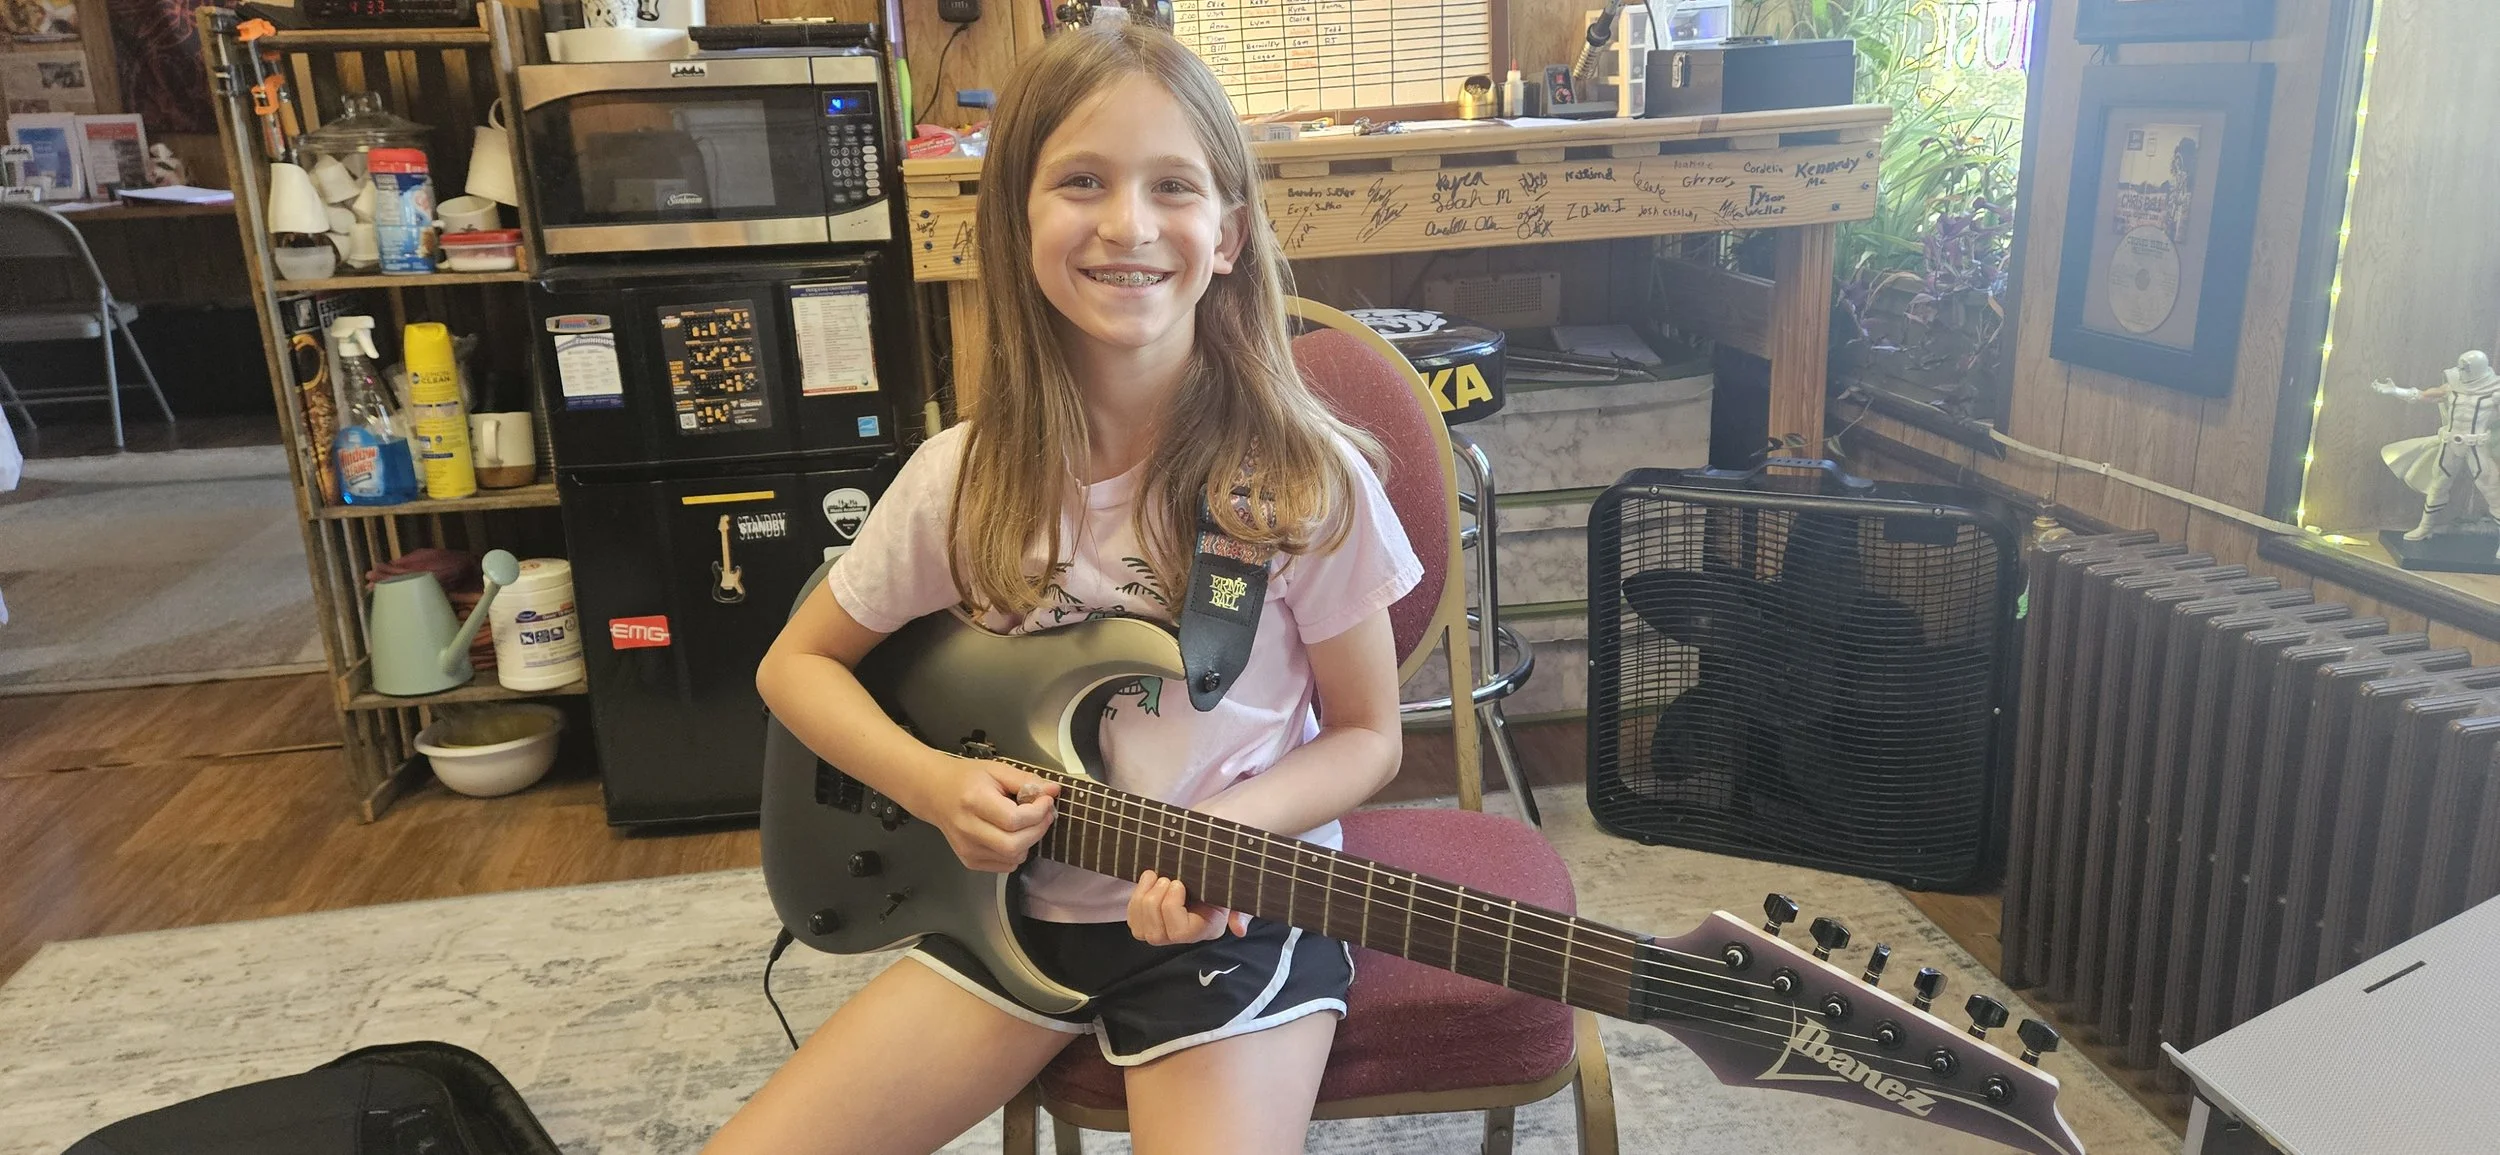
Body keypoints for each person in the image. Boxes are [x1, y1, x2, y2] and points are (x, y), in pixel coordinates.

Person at [701, 22, 1422, 1155]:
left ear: (1228, 234)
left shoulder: (1293, 479)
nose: (1128, 224)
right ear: (1018, 223)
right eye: (1081, 180)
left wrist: (1223, 834)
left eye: (1172, 186)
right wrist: (936, 785)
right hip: (1008, 915)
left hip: (1233, 915)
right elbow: (794, 665)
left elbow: (1370, 737)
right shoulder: (960, 479)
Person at [2373, 350, 2500, 550]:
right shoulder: (2453, 386)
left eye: (2466, 368)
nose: (2461, 371)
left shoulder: (2495, 391)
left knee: (2492, 490)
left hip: (2476, 446)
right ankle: (2425, 527)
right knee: (2438, 485)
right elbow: (2424, 395)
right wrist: (2396, 390)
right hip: (2450, 443)